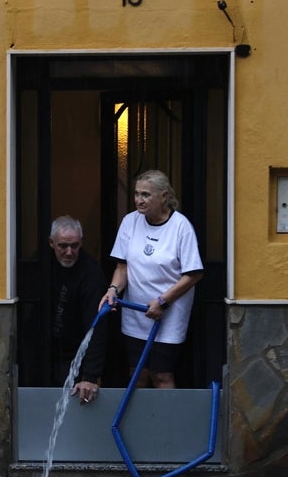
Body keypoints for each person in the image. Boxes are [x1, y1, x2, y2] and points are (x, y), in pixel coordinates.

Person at [101, 170, 204, 389]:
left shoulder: (180, 226)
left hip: (168, 312)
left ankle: (166, 423)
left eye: (146, 195)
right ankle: (137, 423)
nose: (139, 200)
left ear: (164, 196)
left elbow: (194, 273)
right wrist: (112, 289)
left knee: (161, 374)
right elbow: (122, 266)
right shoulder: (130, 221)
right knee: (137, 373)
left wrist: (163, 301)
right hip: (136, 311)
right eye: (137, 194)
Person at [47, 215, 107, 404]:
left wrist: (90, 376)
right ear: (51, 243)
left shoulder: (91, 273)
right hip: (44, 354)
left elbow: (97, 326)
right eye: (63, 246)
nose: (69, 252)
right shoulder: (40, 266)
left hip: (76, 354)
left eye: (75, 246)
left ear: (81, 243)